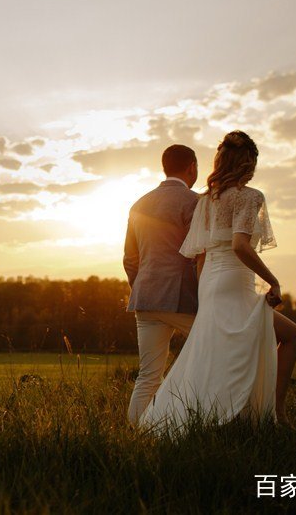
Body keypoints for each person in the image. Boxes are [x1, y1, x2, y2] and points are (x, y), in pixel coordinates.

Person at [137, 130, 296, 437]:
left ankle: (232, 417)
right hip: (233, 281)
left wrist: (205, 292)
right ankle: (275, 415)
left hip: (211, 283)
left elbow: (199, 256)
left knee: (219, 350)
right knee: (291, 335)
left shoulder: (207, 201)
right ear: (247, 162)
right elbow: (241, 245)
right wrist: (273, 280)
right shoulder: (250, 196)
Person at [123, 144, 201, 427]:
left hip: (144, 299)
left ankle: (135, 434)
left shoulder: (138, 204)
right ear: (192, 166)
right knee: (212, 353)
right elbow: (198, 254)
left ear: (164, 166)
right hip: (182, 298)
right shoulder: (194, 201)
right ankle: (196, 423)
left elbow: (129, 258)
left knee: (148, 376)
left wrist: (143, 286)